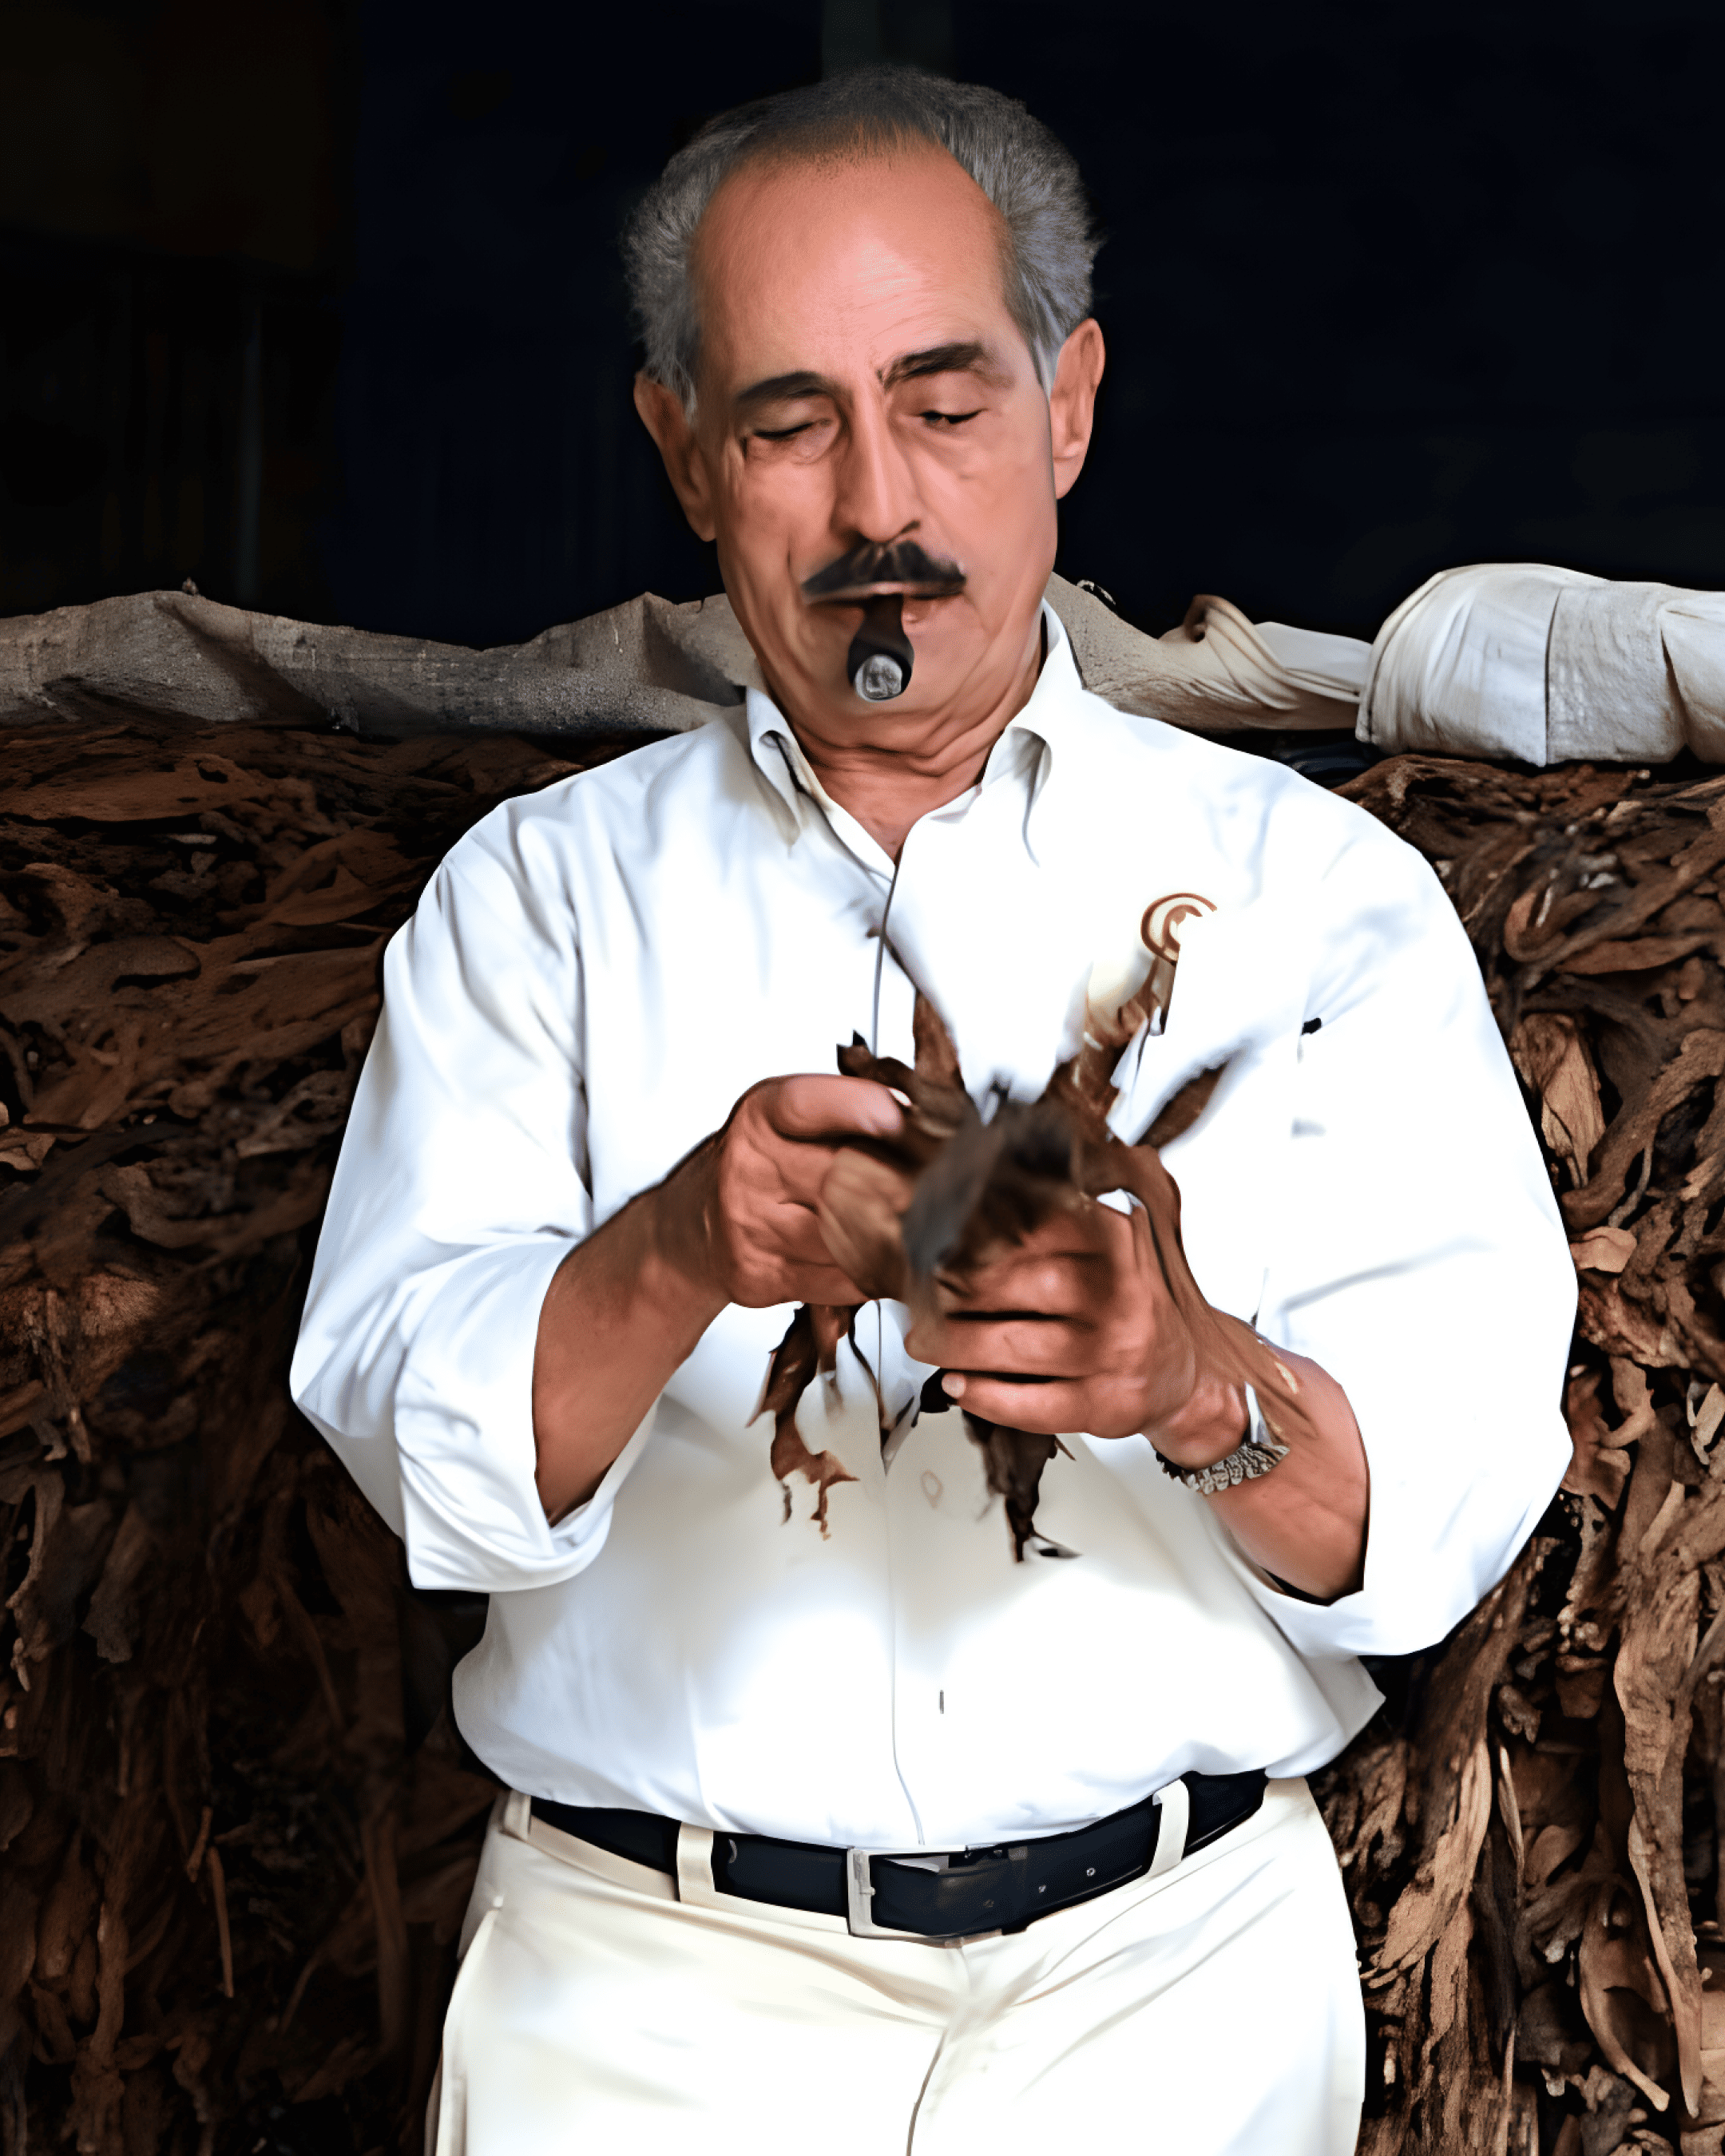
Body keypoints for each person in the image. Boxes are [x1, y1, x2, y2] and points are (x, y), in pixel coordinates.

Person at [291, 65, 1575, 2156]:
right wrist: (675, 1247)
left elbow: (1430, 1518)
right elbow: (409, 1444)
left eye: (946, 403)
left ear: (1068, 407)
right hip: (649, 2007)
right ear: (684, 456)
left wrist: (1191, 1379)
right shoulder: (537, 902)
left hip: (1172, 1997)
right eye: (788, 422)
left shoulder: (1320, 903)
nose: (876, 503)